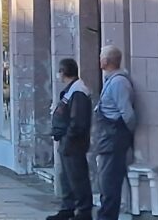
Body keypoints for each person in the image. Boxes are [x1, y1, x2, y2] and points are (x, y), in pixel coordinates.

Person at [93, 46, 135, 220]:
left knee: (109, 184)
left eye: (101, 56)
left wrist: (125, 134)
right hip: (108, 140)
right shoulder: (111, 80)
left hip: (113, 140)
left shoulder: (118, 82)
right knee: (105, 183)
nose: (99, 60)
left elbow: (128, 114)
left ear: (106, 61)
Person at [48, 59, 92, 220]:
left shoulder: (78, 90)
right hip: (67, 141)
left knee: (77, 178)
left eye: (59, 71)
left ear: (63, 71)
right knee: (66, 178)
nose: (58, 75)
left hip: (74, 143)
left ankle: (83, 211)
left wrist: (69, 138)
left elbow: (78, 121)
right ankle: (68, 208)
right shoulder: (71, 90)